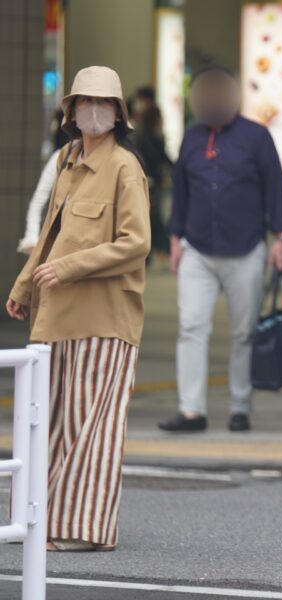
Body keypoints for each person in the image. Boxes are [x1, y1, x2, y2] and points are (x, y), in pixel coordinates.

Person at [6, 66, 151, 551]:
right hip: (57, 315)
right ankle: (42, 522)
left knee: (92, 427)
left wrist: (68, 269)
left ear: (118, 114)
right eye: (85, 101)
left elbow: (137, 243)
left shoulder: (125, 167)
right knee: (49, 423)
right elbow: (49, 233)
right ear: (70, 111)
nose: (93, 110)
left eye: (104, 103)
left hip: (105, 318)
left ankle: (82, 530)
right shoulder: (68, 158)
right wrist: (24, 286)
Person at [158, 65, 282, 434]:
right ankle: (191, 410)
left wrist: (280, 237)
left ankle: (240, 406)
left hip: (246, 248)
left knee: (244, 332)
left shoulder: (257, 137)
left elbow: (275, 188)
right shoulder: (192, 137)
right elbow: (181, 189)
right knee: (191, 327)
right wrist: (175, 237)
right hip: (196, 248)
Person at [17, 110, 69, 254]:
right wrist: (32, 239)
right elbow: (38, 201)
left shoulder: (110, 161)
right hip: (56, 244)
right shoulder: (60, 157)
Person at [132, 105, 172, 262]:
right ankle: (161, 248)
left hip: (150, 181)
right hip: (150, 182)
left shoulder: (143, 137)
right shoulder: (151, 138)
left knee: (151, 217)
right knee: (153, 217)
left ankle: (152, 252)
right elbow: (162, 158)